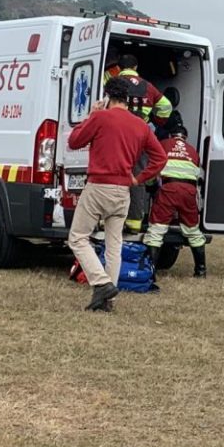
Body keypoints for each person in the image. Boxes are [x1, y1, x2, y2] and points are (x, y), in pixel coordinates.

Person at [67, 77, 167, 311]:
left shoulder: (101, 117)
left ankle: (101, 283)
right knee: (114, 245)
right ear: (129, 100)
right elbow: (160, 157)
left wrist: (91, 115)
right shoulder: (140, 125)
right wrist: (139, 178)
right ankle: (107, 301)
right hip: (123, 190)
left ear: (107, 97)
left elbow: (74, 141)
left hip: (98, 186)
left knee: (78, 237)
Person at [117, 53, 173, 233]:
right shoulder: (148, 86)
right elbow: (166, 107)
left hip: (118, 135)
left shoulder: (114, 85)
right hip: (141, 135)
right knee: (138, 177)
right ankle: (134, 222)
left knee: (113, 176)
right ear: (135, 68)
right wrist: (158, 120)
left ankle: (107, 220)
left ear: (119, 68)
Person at [142, 123, 208, 278]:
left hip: (169, 189)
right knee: (192, 230)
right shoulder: (193, 151)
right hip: (188, 191)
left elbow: (153, 168)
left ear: (171, 136)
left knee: (157, 230)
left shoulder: (163, 145)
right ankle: (201, 270)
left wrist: (150, 186)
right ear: (185, 138)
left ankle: (150, 272)